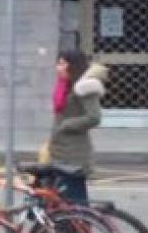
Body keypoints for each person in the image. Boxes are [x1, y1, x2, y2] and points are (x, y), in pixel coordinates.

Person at [45, 49, 105, 204]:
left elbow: (94, 117)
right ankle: (64, 227)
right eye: (58, 63)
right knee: (58, 201)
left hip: (74, 154)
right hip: (58, 150)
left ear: (73, 65)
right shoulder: (63, 85)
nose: (58, 67)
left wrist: (67, 125)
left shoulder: (85, 87)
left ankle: (81, 227)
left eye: (62, 63)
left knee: (75, 201)